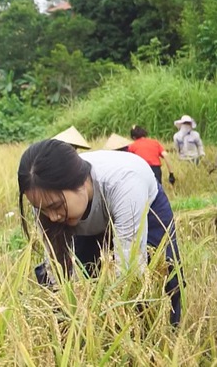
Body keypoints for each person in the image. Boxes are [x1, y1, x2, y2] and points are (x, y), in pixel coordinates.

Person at [18, 139, 184, 326]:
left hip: (143, 203)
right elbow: (55, 266)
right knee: (87, 273)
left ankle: (172, 327)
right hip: (90, 211)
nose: (53, 217)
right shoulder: (45, 200)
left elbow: (130, 269)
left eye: (56, 206)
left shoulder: (124, 184)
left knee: (165, 270)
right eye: (43, 210)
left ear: (80, 183)